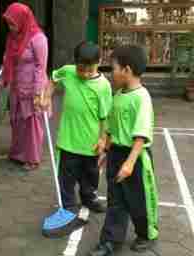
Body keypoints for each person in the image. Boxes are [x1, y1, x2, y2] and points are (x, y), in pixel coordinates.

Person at [89, 46, 158, 256]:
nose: (111, 73)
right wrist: (106, 149)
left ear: (127, 70)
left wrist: (130, 162)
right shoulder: (117, 95)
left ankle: (146, 234)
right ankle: (110, 241)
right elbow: (111, 127)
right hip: (117, 154)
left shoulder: (141, 97)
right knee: (116, 199)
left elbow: (141, 134)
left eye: (114, 68)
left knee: (139, 200)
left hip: (136, 158)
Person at [40, 42, 113, 213]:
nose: (85, 74)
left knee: (90, 177)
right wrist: (47, 97)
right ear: (75, 63)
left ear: (99, 62)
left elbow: (106, 117)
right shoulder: (68, 71)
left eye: (90, 70)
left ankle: (89, 197)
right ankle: (69, 206)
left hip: (90, 144)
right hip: (68, 141)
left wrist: (103, 139)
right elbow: (53, 79)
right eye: (81, 69)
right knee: (66, 178)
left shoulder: (103, 87)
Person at [0, 3, 49, 170]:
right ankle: (17, 154)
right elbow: (7, 63)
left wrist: (38, 93)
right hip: (17, 87)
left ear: (23, 20)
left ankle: (32, 159)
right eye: (8, 23)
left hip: (32, 88)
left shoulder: (38, 39)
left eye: (13, 23)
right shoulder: (12, 38)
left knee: (31, 124)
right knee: (17, 122)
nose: (10, 27)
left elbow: (40, 67)